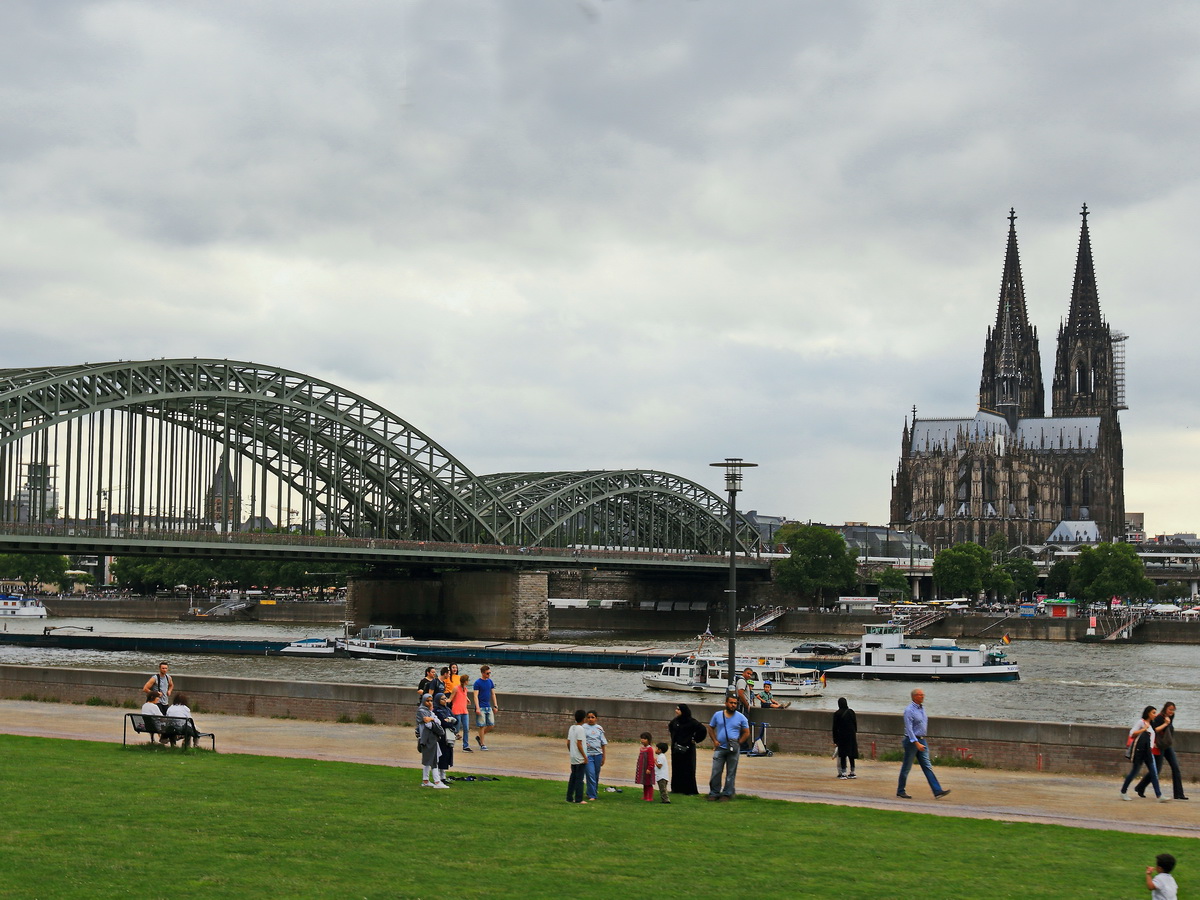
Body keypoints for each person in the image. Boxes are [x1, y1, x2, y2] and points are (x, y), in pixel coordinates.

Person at [897, 688, 950, 800]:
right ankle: (900, 791)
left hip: (921, 740)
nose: (923, 697)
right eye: (920, 695)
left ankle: (937, 790)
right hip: (912, 741)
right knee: (907, 767)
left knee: (927, 766)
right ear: (915, 696)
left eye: (923, 695)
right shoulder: (909, 710)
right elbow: (909, 729)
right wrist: (916, 743)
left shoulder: (922, 709)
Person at [1137, 702, 1187, 800]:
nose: (1171, 712)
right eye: (1170, 710)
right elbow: (1154, 730)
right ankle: (1140, 787)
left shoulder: (1171, 717)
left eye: (1173, 710)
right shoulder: (1159, 718)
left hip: (1167, 746)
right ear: (1165, 709)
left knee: (1175, 767)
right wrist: (1165, 724)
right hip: (1159, 746)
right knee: (1157, 770)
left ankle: (1179, 794)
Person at [706, 694, 750, 801]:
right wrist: (715, 741)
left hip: (733, 747)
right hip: (720, 747)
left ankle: (727, 793)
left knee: (731, 772)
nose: (733, 705)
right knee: (716, 771)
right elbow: (710, 728)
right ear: (726, 703)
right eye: (731, 703)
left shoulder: (741, 717)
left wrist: (739, 742)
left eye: (735, 703)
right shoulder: (717, 715)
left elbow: (746, 732)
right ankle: (714, 793)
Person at [1121, 705, 1166, 801]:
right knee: (1134, 772)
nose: (1155, 715)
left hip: (1149, 752)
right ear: (1148, 713)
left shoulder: (1152, 724)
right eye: (1153, 713)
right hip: (1140, 752)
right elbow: (1132, 733)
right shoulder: (1141, 722)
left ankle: (1159, 795)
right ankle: (1123, 792)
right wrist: (1143, 729)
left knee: (1154, 773)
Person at [667, 703, 708, 795]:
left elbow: (702, 730)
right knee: (677, 769)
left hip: (688, 750)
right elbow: (671, 727)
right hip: (676, 749)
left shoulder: (692, 722)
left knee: (688, 770)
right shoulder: (675, 721)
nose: (676, 711)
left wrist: (695, 739)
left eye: (678, 709)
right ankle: (676, 789)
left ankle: (689, 790)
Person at [415, 693, 449, 788]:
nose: (430, 703)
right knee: (433, 760)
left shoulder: (429, 711)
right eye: (428, 701)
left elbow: (437, 721)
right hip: (427, 737)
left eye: (431, 701)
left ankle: (425, 780)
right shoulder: (421, 710)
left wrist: (432, 719)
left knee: (428, 759)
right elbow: (428, 723)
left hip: (431, 737)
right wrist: (433, 720)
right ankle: (437, 782)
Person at [432, 692, 457, 784]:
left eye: (445, 698)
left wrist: (450, 720)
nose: (445, 700)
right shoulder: (436, 711)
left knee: (447, 755)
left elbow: (455, 720)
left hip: (448, 735)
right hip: (441, 736)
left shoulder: (447, 709)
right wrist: (450, 721)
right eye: (442, 699)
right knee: (441, 755)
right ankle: (438, 776)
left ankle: (443, 776)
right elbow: (442, 722)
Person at [582, 710, 607, 801]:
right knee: (590, 774)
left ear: (596, 718)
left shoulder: (599, 728)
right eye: (588, 717)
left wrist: (604, 756)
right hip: (588, 755)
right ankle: (593, 795)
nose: (590, 719)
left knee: (596, 775)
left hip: (598, 755)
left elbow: (603, 743)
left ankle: (591, 792)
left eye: (592, 717)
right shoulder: (583, 728)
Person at [473, 665, 499, 750]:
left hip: (488, 706)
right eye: (487, 673)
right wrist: (477, 707)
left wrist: (495, 705)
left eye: (489, 673)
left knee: (491, 724)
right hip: (481, 706)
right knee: (482, 725)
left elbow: (493, 694)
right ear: (483, 673)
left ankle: (480, 737)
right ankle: (482, 744)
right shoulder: (477, 683)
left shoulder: (490, 682)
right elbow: (475, 696)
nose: (489, 675)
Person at [832, 697, 859, 779]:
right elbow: (855, 724)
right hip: (851, 736)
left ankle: (843, 773)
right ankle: (852, 772)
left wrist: (835, 740)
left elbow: (835, 728)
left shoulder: (837, 714)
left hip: (842, 736)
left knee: (843, 754)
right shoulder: (851, 712)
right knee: (851, 754)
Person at [566, 709, 588, 803]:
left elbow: (568, 742)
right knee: (579, 779)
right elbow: (579, 744)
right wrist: (585, 756)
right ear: (584, 719)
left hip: (573, 757)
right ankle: (579, 799)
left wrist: (572, 752)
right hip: (580, 758)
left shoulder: (572, 728)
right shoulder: (581, 729)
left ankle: (569, 797)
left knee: (573, 778)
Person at [451, 673, 472, 752]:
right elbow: (451, 697)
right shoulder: (456, 688)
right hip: (456, 710)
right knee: (456, 728)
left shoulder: (465, 689)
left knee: (466, 728)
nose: (468, 682)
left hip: (464, 710)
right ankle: (450, 742)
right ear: (465, 681)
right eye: (467, 680)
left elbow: (463, 695)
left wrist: (467, 699)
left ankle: (465, 746)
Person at [635, 732, 656, 801]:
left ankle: (650, 797)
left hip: (647, 768)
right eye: (642, 738)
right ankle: (645, 796)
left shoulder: (649, 749)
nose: (642, 740)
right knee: (644, 783)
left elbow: (651, 759)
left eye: (644, 739)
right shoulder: (642, 748)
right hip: (642, 768)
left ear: (648, 740)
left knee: (649, 783)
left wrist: (649, 768)